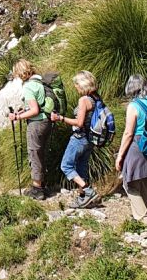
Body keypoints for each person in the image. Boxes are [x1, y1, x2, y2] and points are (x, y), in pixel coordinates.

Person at [114, 75, 147, 225]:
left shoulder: (133, 106)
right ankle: (146, 212)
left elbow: (128, 133)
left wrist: (120, 156)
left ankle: (144, 217)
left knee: (129, 183)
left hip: (139, 144)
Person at [51, 70, 102, 208]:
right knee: (81, 167)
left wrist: (60, 118)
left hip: (79, 138)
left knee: (66, 165)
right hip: (90, 139)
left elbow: (79, 122)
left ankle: (87, 190)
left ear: (83, 84)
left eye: (77, 84)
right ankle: (82, 198)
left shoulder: (84, 100)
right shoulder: (96, 98)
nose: (76, 87)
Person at [10, 59, 51, 200]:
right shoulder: (40, 82)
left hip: (36, 124)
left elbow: (34, 110)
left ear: (20, 72)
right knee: (41, 152)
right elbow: (40, 105)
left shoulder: (28, 87)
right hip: (46, 121)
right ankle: (42, 185)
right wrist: (24, 111)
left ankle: (37, 189)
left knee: (34, 153)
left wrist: (17, 116)